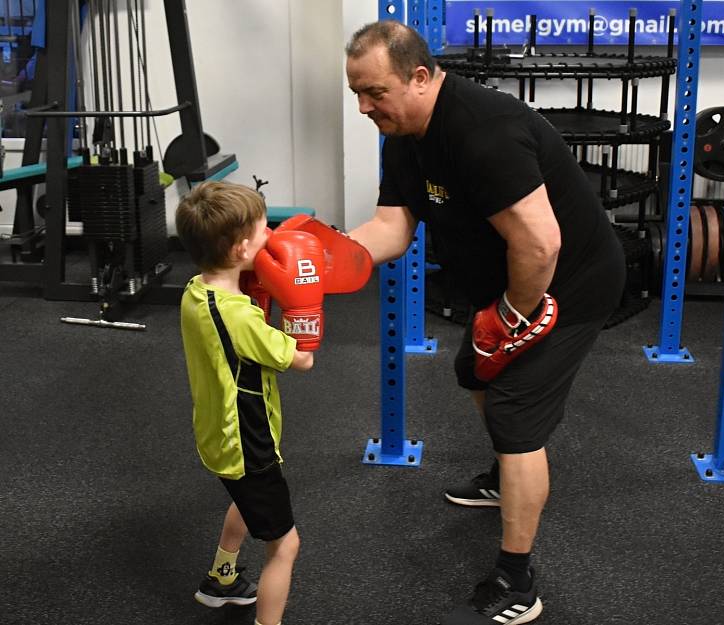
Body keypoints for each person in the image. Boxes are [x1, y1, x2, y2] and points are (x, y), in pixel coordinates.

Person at [344, 20, 626, 624]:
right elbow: (392, 228)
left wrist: (511, 320)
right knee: (474, 370)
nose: (365, 108)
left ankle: (518, 580)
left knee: (512, 410)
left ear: (419, 77)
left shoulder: (483, 130)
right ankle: (505, 478)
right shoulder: (403, 133)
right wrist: (324, 259)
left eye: (374, 93)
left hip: (569, 284)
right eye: (356, 95)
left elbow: (542, 245)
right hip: (513, 283)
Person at [176, 181, 315, 625]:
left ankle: (221, 579)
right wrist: (303, 306)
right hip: (247, 442)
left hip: (218, 434)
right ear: (240, 249)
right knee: (285, 545)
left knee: (244, 499)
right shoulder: (240, 317)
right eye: (262, 232)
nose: (270, 236)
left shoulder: (197, 290)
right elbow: (302, 358)